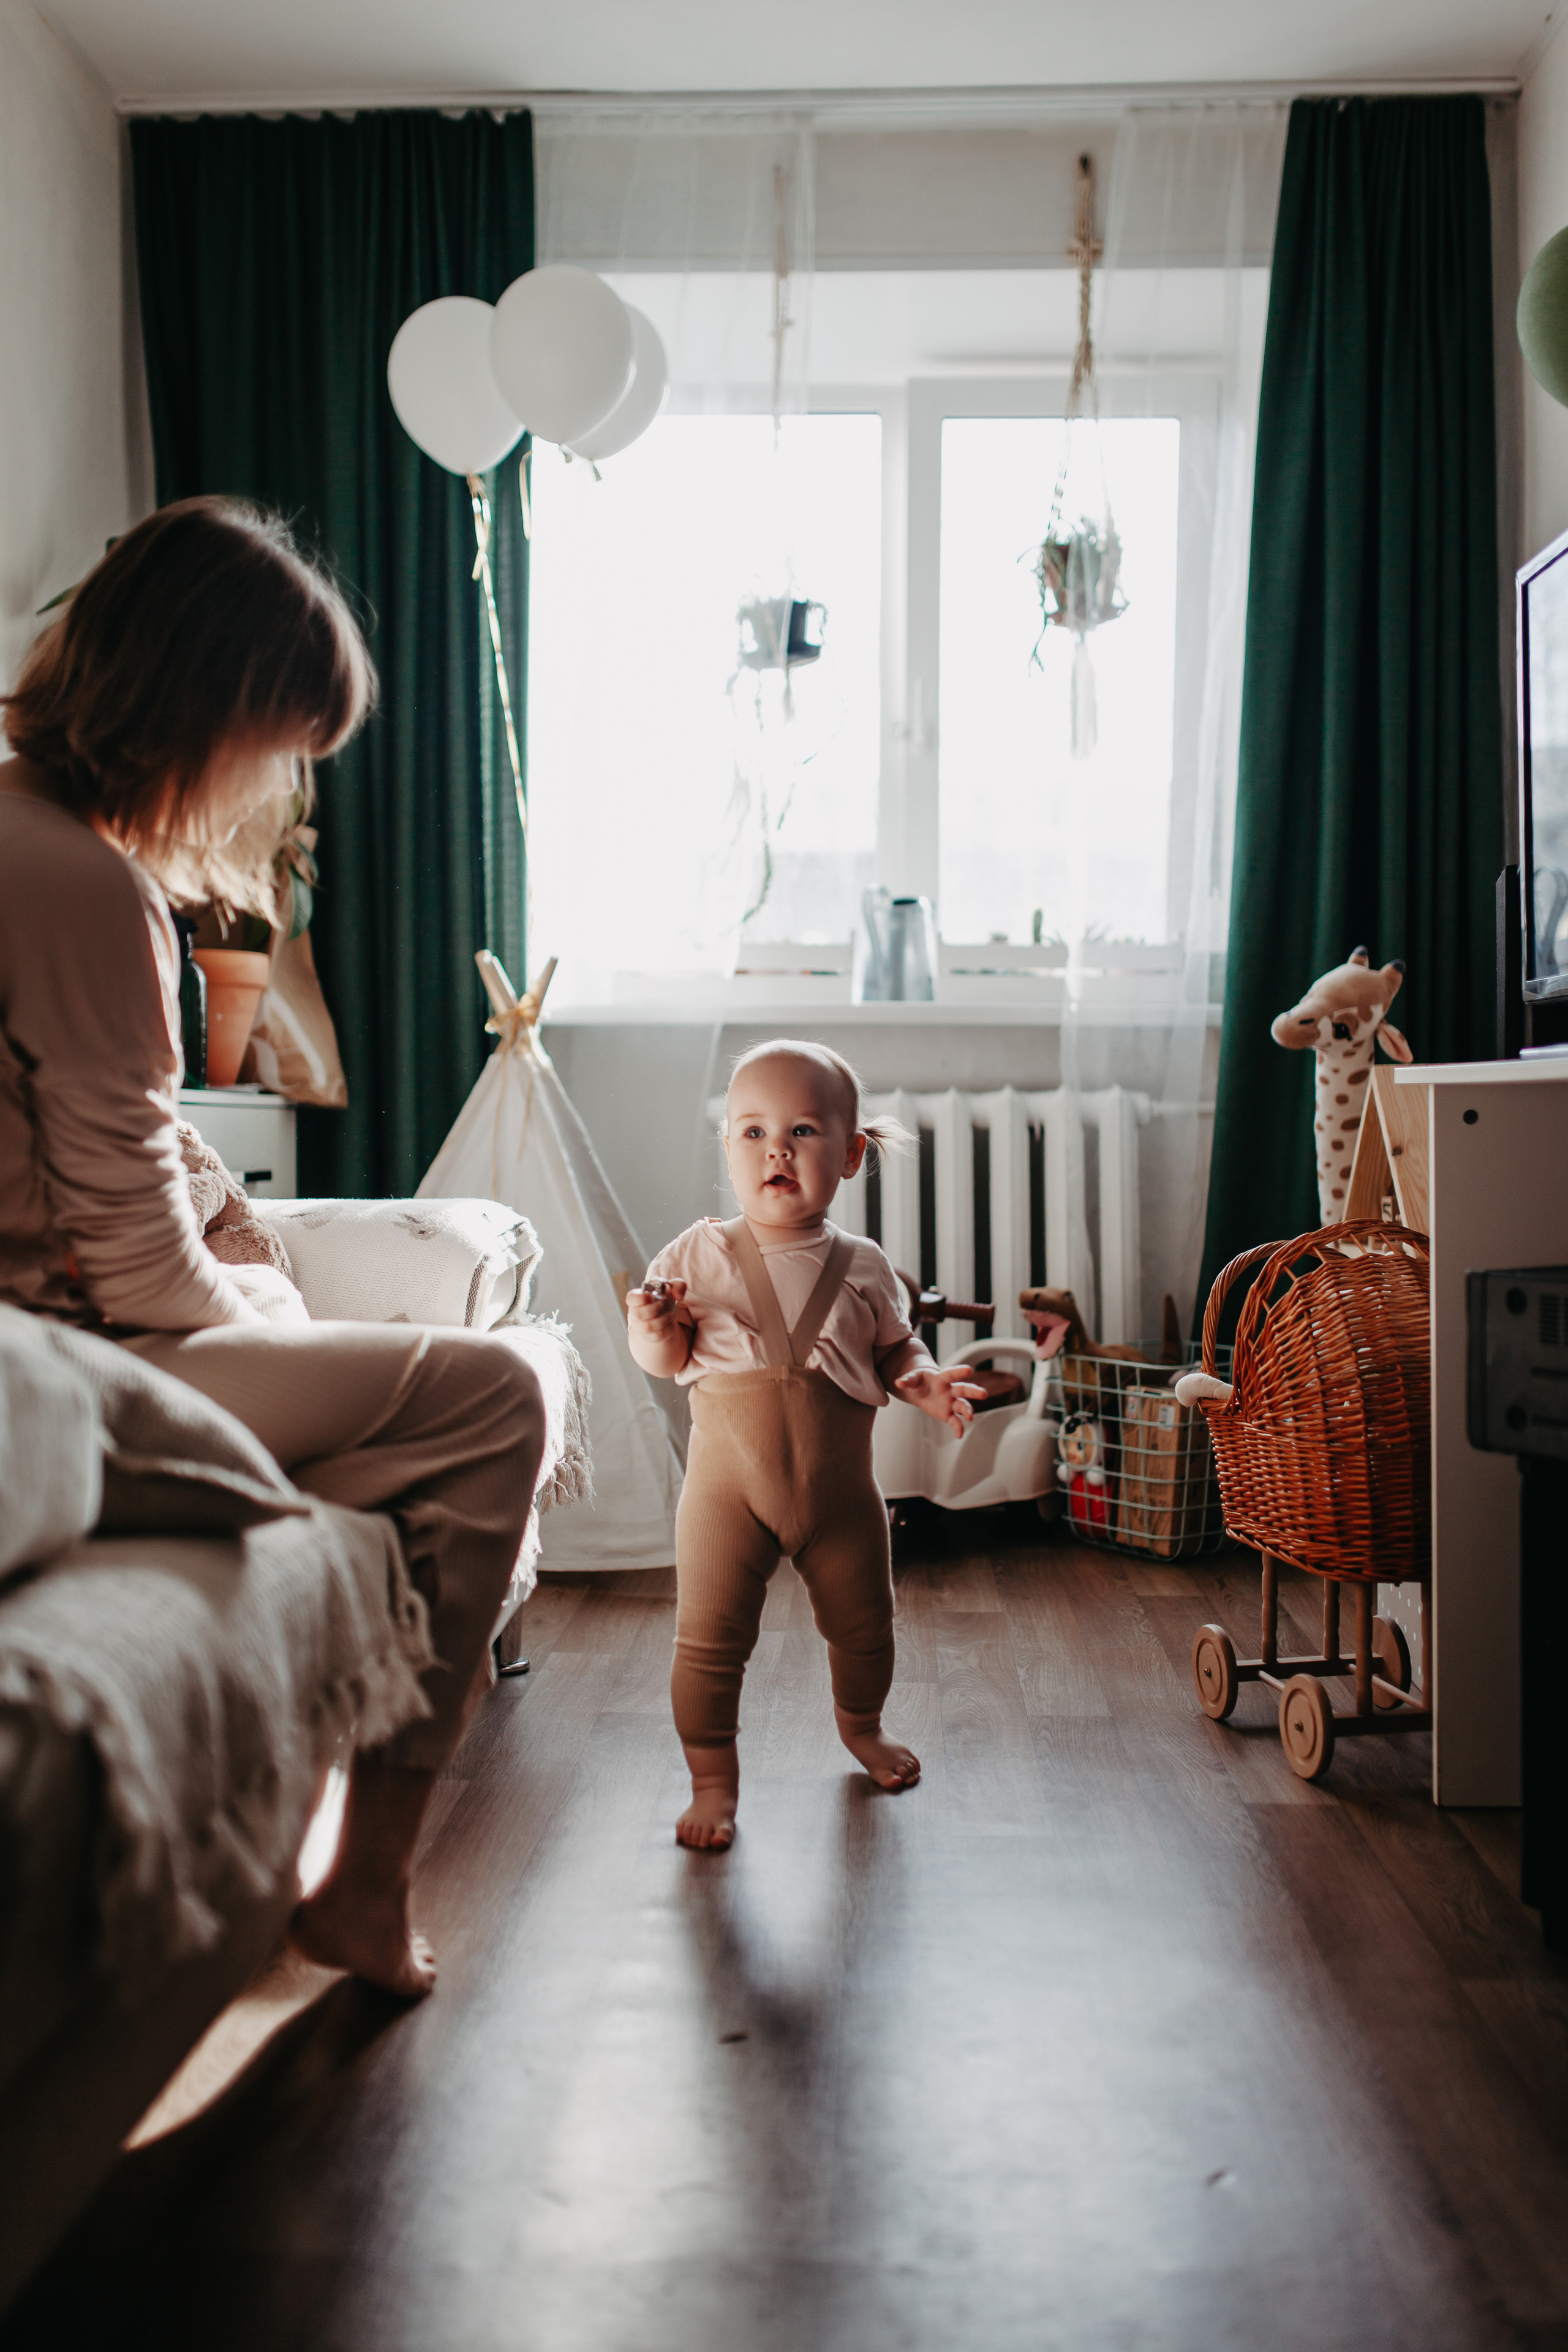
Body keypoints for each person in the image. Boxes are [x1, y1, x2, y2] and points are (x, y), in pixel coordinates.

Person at [0, 498, 545, 1997]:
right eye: (275, 741)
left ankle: (296, 1835)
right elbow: (136, 1267)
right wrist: (263, 1297)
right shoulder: (81, 886)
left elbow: (108, 1156)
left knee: (396, 1410)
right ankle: (362, 1886)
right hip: (77, 1353)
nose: (276, 784)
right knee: (500, 1398)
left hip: (67, 1336)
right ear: (199, 709)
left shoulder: (32, 841)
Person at [626, 1039, 984, 1850]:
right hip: (726, 1497)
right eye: (751, 1132)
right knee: (710, 1641)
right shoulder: (694, 1256)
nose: (776, 1149)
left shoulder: (865, 1266)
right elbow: (666, 1362)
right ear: (727, 1150)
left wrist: (922, 1382)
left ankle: (863, 1726)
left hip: (841, 1498)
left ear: (852, 1154)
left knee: (866, 1626)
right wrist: (651, 1329)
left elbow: (898, 1350)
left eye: (803, 1131)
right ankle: (713, 1780)